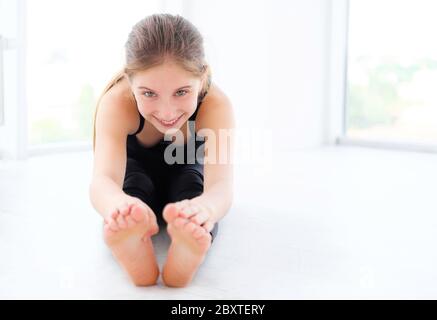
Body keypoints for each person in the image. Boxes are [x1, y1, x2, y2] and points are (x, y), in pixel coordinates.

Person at [89, 13, 234, 287]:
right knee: (132, 189)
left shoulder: (216, 105)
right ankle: (132, 243)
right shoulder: (117, 102)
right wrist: (118, 206)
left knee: (193, 191)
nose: (167, 113)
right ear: (130, 82)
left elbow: (221, 187)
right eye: (148, 94)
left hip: (187, 170)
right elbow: (103, 181)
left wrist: (205, 208)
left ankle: (185, 251)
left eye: (181, 92)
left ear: (201, 78)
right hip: (135, 175)